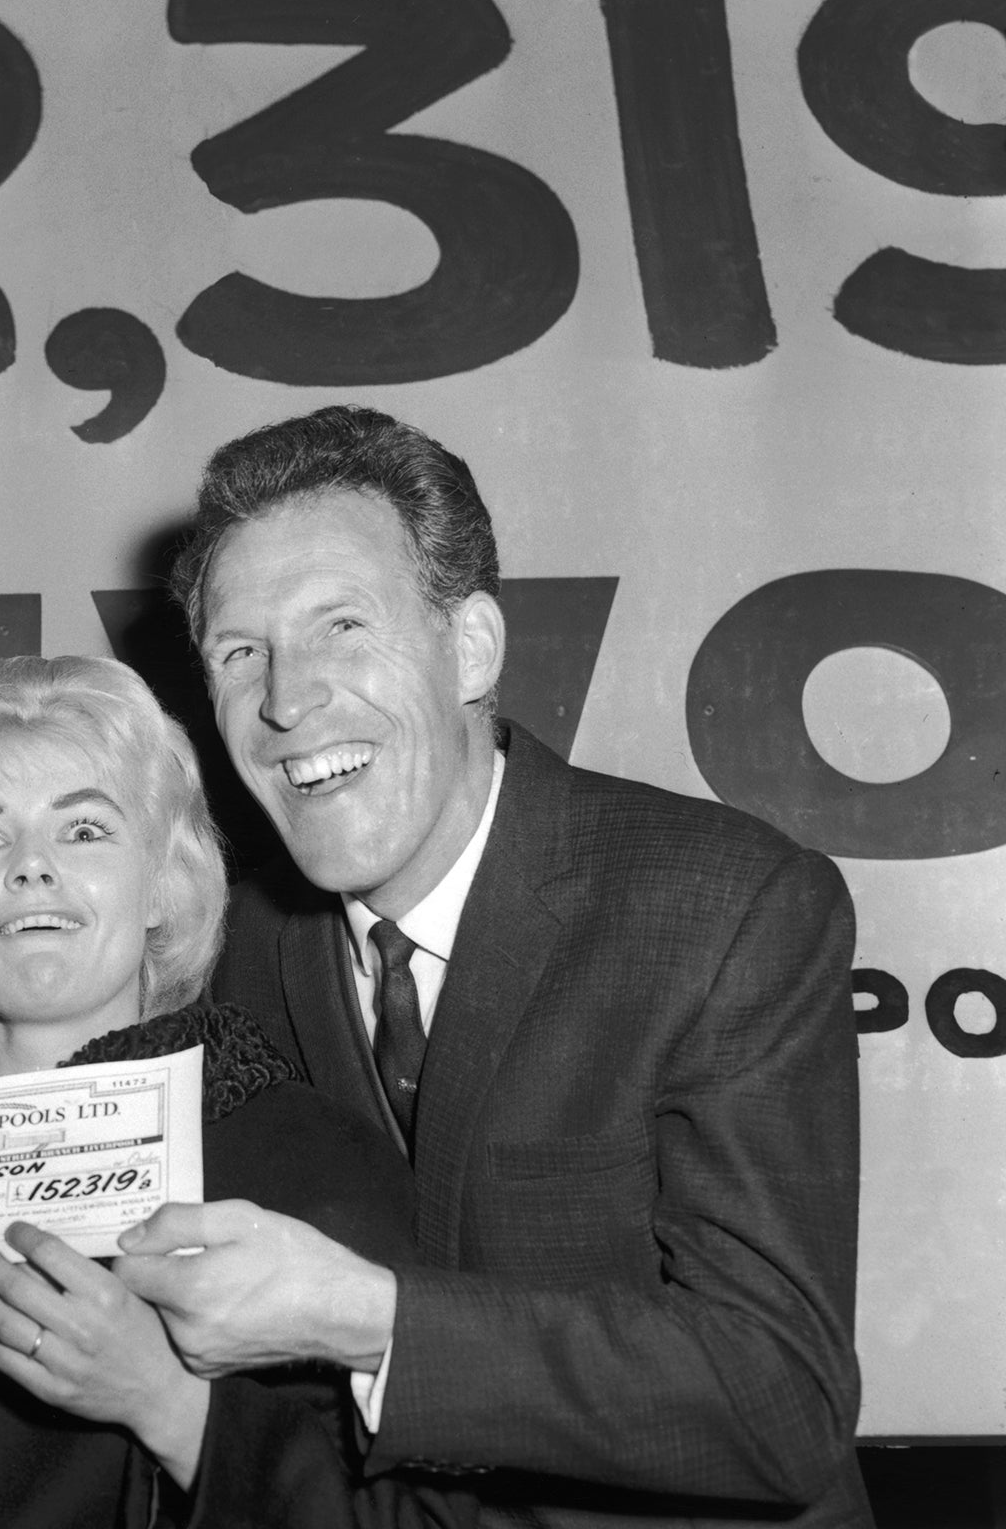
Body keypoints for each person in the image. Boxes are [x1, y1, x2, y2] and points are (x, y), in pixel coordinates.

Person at [110, 406, 871, 1526]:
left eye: (341, 628)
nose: (284, 699)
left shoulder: (724, 909)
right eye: (239, 653)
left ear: (469, 649)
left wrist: (362, 1316)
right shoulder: (232, 949)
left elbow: (776, 1402)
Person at [0, 655, 470, 1529]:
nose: (30, 869)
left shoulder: (310, 1158)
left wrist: (169, 1405)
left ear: (162, 886)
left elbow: (424, 1513)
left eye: (84, 830)